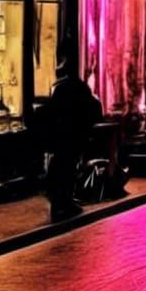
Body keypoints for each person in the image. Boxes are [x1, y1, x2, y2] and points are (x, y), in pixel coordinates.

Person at [37, 48, 103, 221]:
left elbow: (52, 113)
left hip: (63, 137)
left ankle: (60, 203)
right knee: (68, 169)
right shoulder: (80, 88)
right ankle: (64, 203)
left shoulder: (60, 89)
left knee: (60, 168)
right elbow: (94, 112)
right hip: (74, 137)